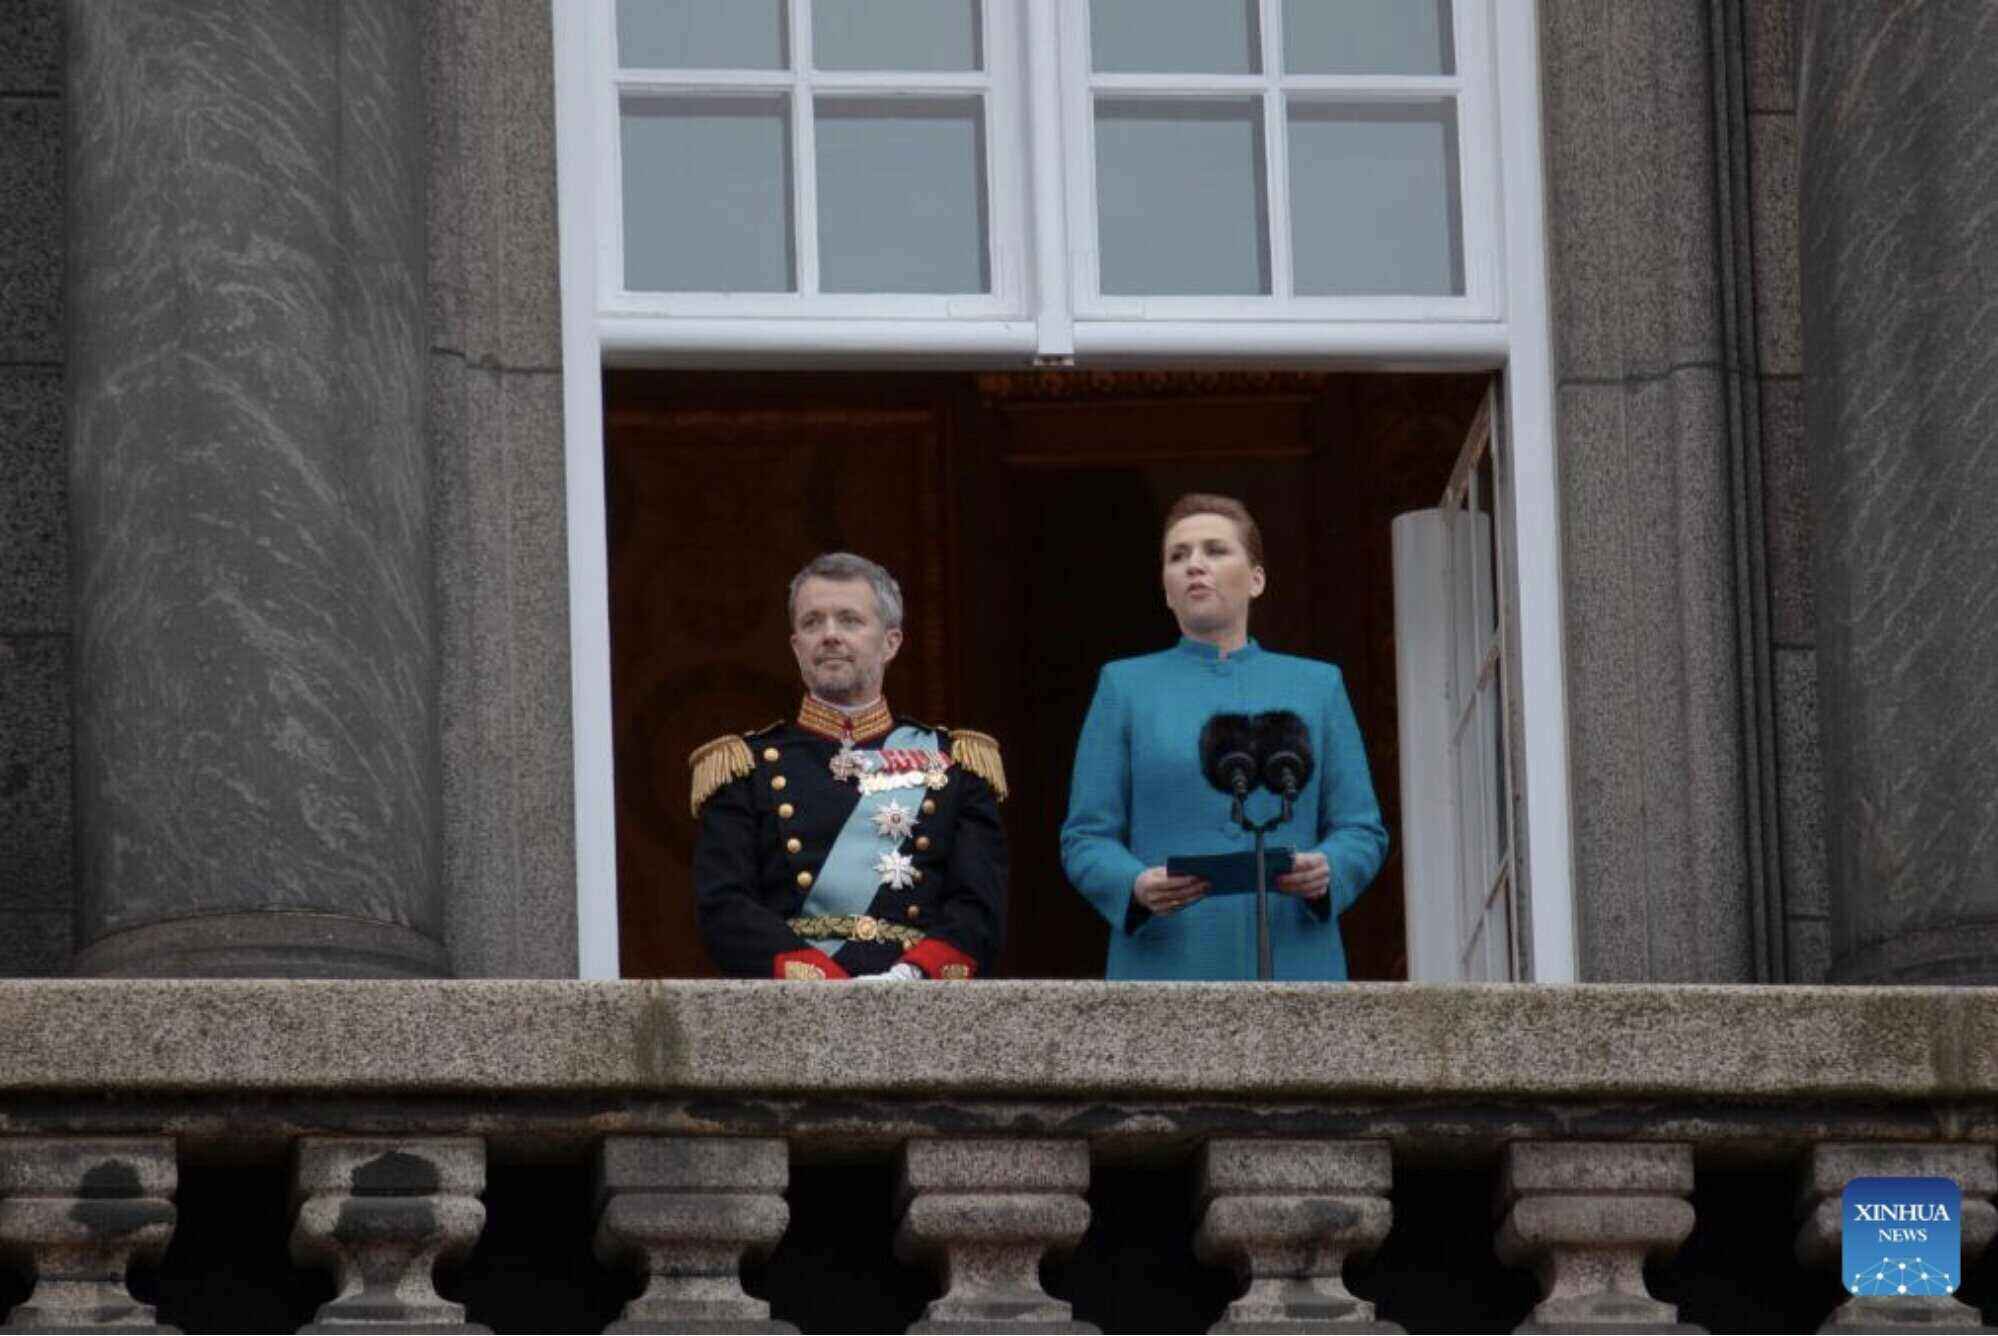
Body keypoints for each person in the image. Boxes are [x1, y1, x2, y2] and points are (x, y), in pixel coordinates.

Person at [1060, 494, 1388, 980]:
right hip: (1166, 960)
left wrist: (1328, 869)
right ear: (1167, 591)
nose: (1195, 565)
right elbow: (1086, 838)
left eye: (1215, 550)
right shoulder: (1124, 687)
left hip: (1294, 958)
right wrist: (1133, 884)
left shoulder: (1318, 686)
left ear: (1256, 579)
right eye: (1179, 556)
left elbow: (1362, 830)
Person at [689, 552, 1007, 980]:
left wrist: (913, 975)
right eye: (812, 622)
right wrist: (817, 978)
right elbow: (724, 905)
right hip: (790, 1003)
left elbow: (978, 907)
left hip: (919, 1002)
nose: (829, 635)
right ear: (796, 646)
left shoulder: (956, 763)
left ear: (891, 642)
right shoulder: (746, 768)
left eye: (849, 620)